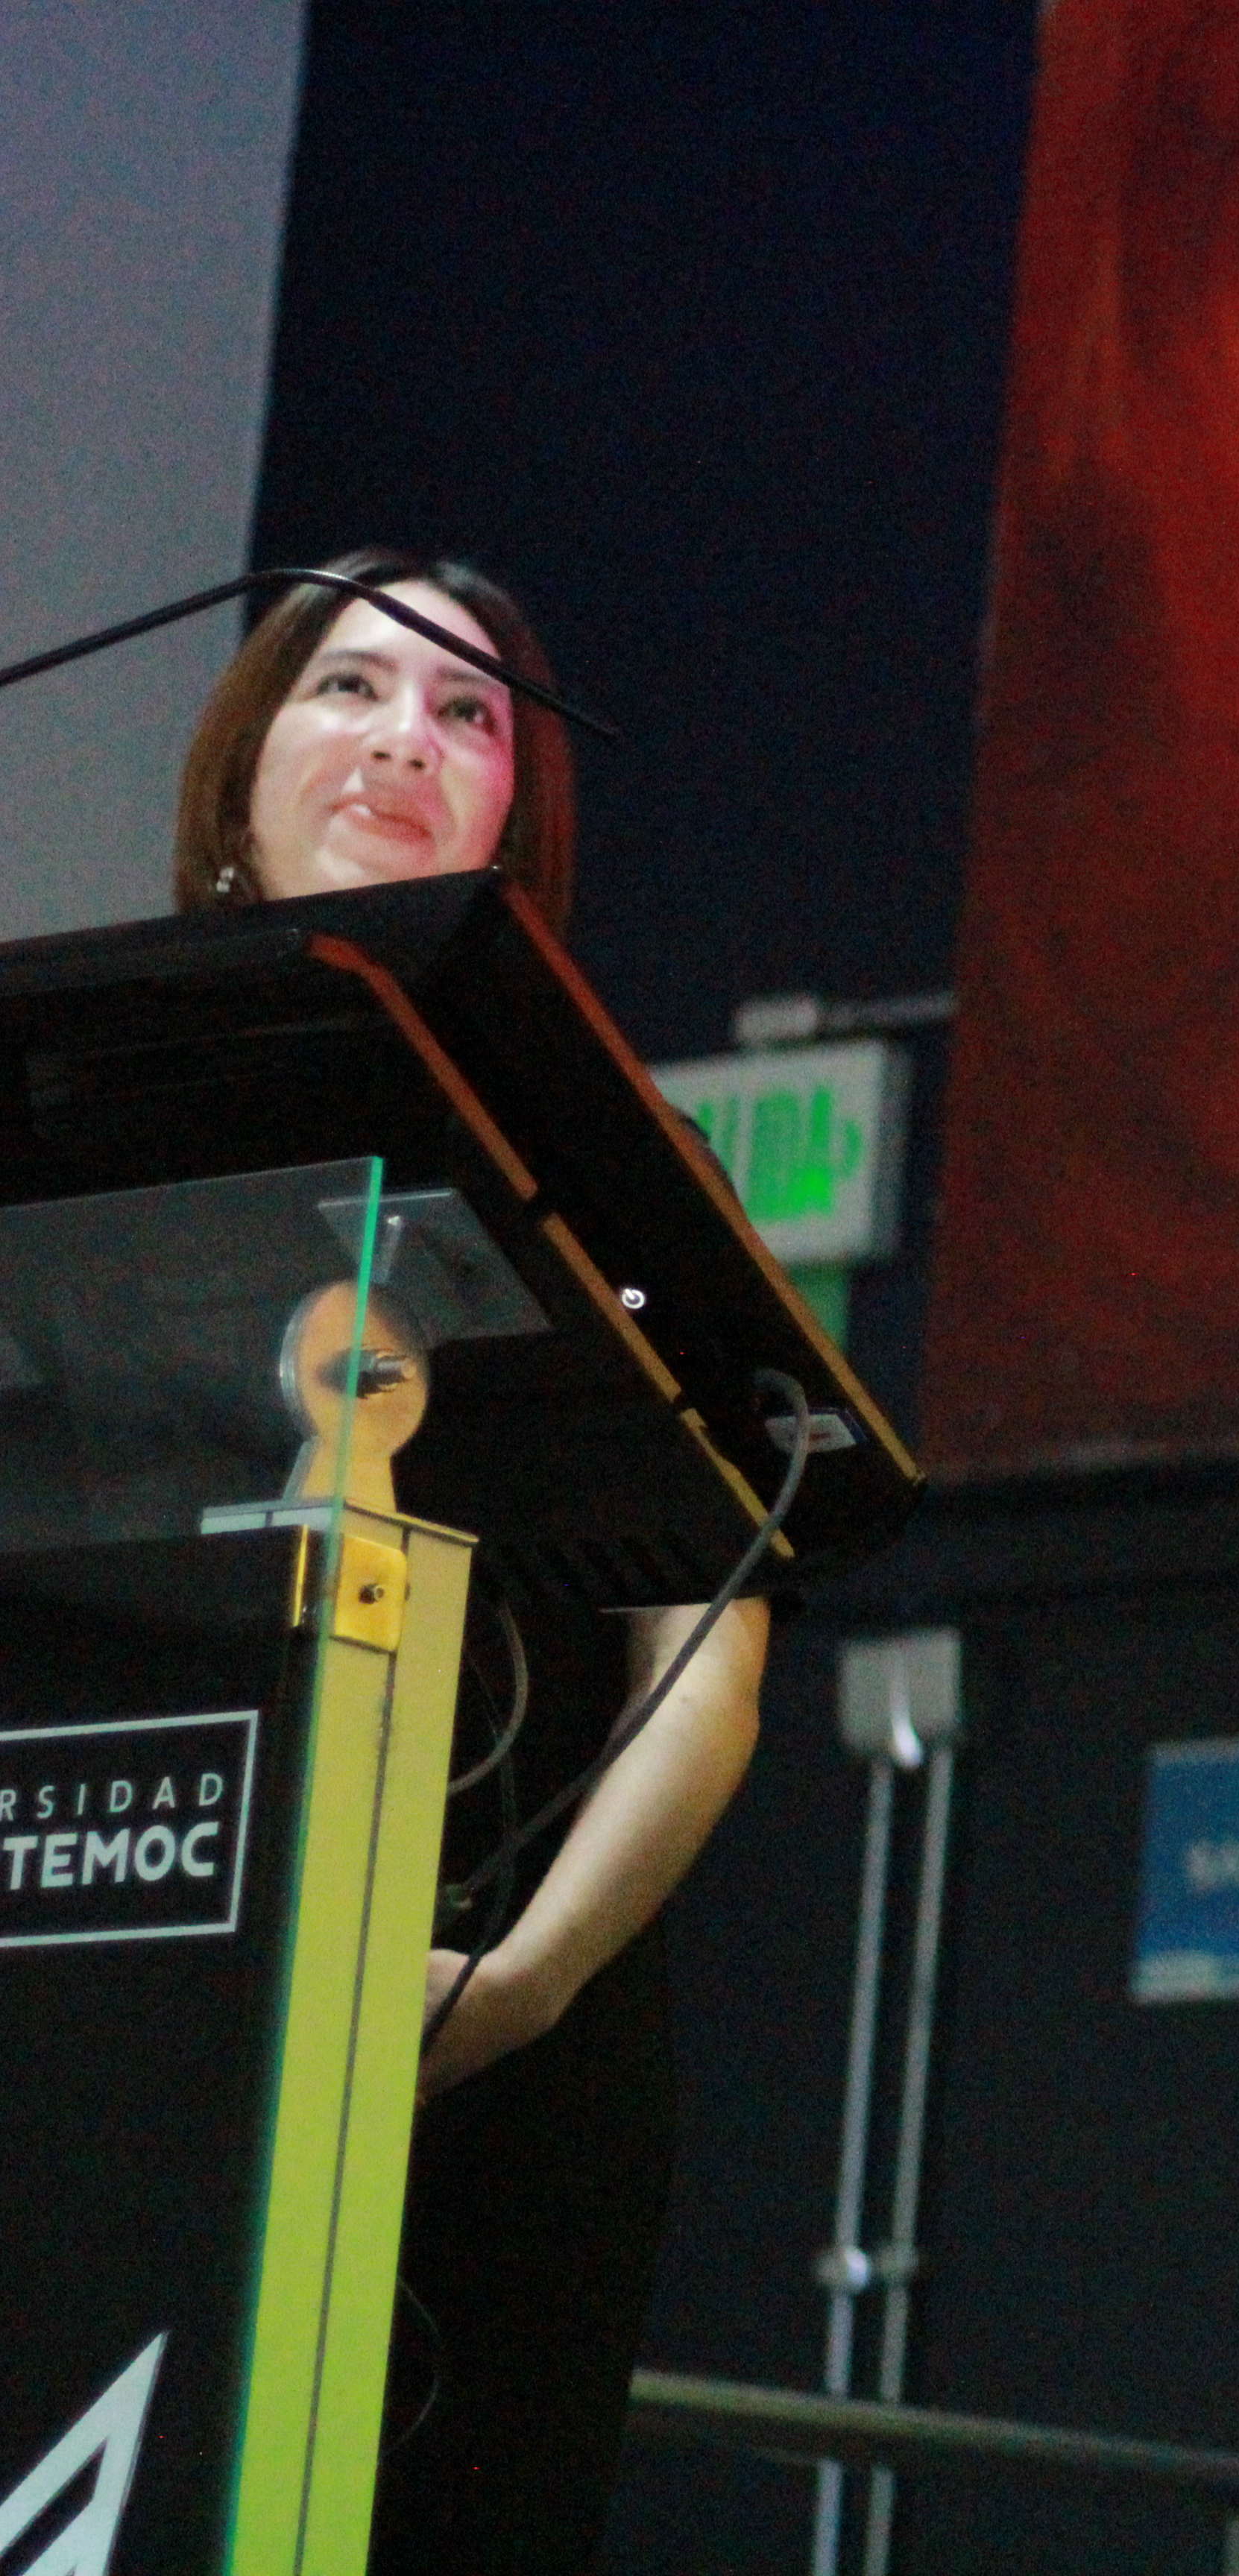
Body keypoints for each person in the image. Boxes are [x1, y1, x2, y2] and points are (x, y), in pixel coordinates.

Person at [171, 549, 771, 2576]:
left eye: (469, 714)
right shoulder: (88, 1115)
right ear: (246, 758)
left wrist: (514, 1989)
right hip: (132, 1955)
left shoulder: (610, 1164)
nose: (404, 741)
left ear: (521, 809)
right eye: (349, 688)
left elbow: (708, 1660)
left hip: (498, 2018)